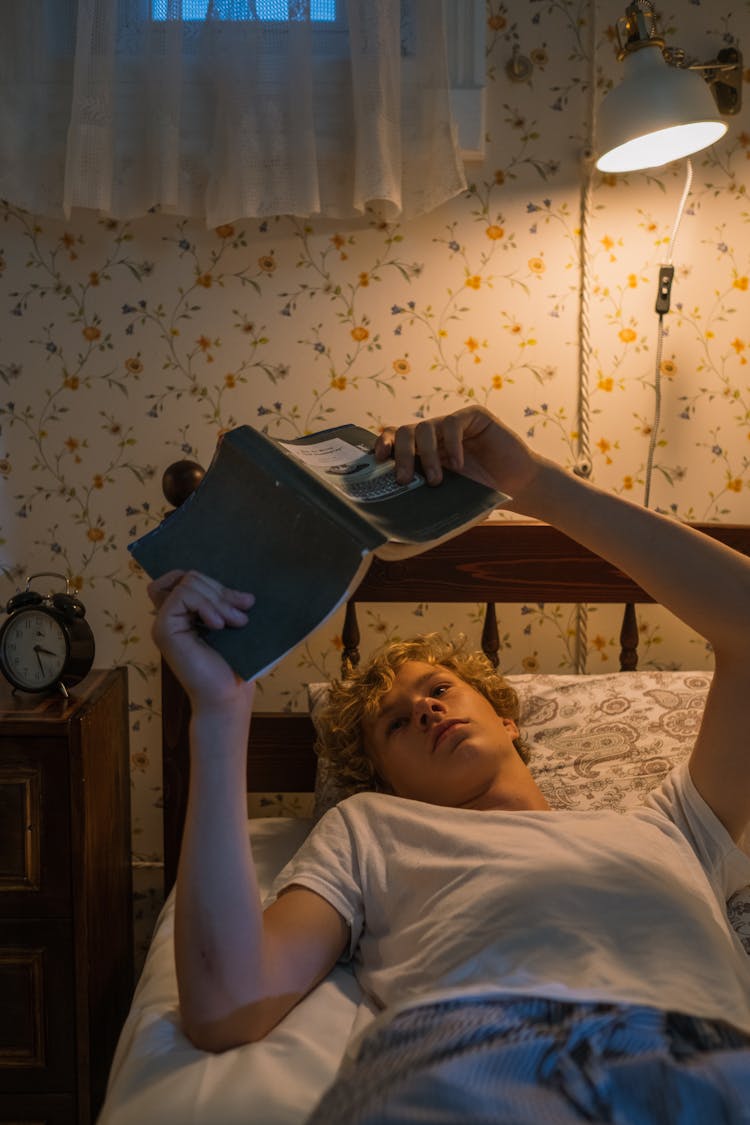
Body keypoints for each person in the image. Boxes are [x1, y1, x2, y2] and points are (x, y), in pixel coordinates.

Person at [149, 406, 750, 1124]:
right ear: (387, 779)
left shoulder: (672, 823)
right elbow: (226, 1009)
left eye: (438, 689)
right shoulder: (368, 828)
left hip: (699, 1055)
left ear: (506, 716)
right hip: (472, 1053)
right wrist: (218, 712)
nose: (426, 712)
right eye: (397, 723)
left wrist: (534, 485)